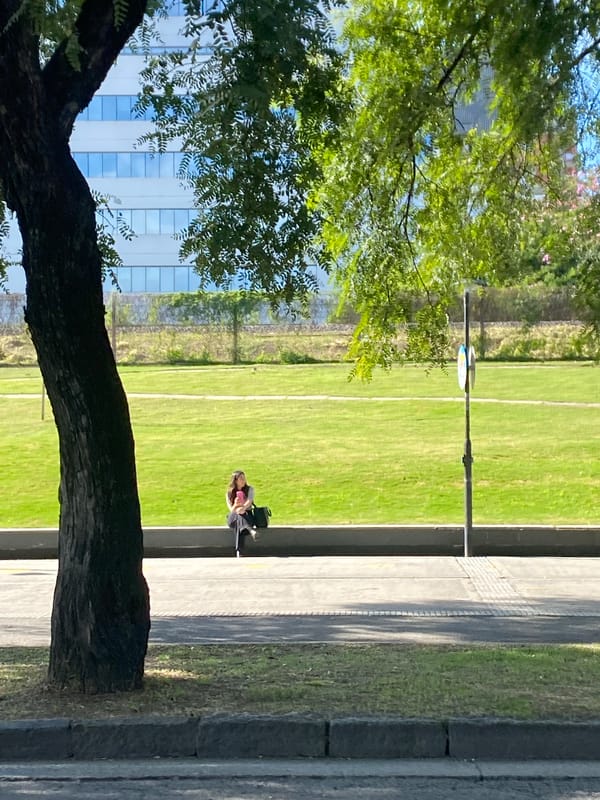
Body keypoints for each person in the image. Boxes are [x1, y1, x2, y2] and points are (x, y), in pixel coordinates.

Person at [226, 470, 257, 557]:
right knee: (238, 515)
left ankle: (239, 551)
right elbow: (231, 510)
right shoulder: (229, 493)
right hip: (233, 516)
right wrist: (236, 505)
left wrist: (243, 508)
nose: (244, 480)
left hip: (247, 515)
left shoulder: (250, 489)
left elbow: (249, 502)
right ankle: (250, 530)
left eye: (244, 478)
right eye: (241, 478)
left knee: (239, 522)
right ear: (235, 480)